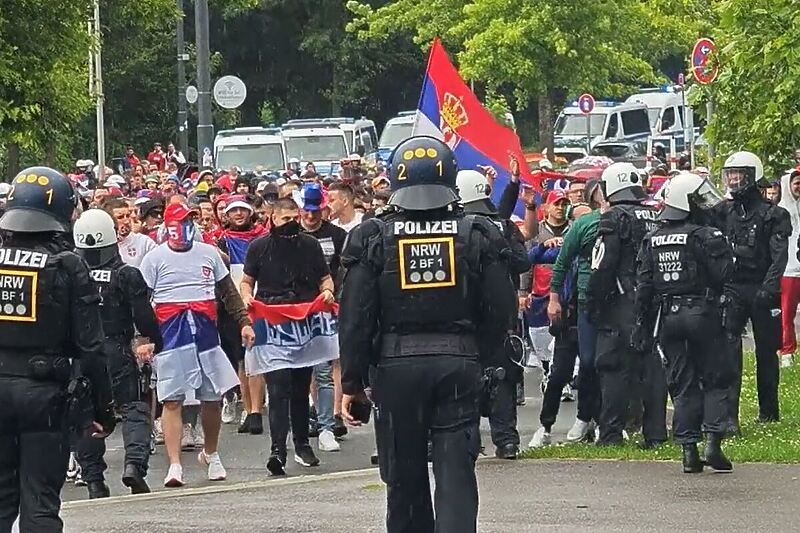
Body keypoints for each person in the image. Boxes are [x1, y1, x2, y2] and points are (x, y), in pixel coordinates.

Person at [338, 136, 516, 533]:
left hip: (396, 368)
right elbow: (501, 311)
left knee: (403, 478)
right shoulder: (477, 232)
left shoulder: (372, 236)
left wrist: (352, 380)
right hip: (459, 364)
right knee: (456, 475)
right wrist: (482, 361)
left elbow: (355, 317)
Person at [0, 167, 114, 532]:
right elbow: (92, 346)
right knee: (41, 504)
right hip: (45, 396)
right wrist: (103, 407)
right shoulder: (68, 265)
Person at [139, 202, 254, 487]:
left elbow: (228, 293)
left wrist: (244, 322)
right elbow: (140, 303)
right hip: (170, 335)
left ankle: (211, 452)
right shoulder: (154, 259)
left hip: (205, 335)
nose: (186, 228)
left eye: (190, 221)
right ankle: (175, 464)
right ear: (168, 226)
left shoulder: (209, 254)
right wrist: (141, 338)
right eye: (181, 222)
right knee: (172, 399)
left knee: (211, 398)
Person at [635, 172, 735, 473]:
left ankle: (688, 451)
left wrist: (641, 325)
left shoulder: (652, 240)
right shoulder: (706, 236)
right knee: (716, 377)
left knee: (682, 382)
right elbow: (724, 275)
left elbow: (645, 287)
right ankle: (712, 444)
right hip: (702, 314)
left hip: (667, 318)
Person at [240, 197, 337, 475]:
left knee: (300, 385)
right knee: (278, 385)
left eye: (296, 218)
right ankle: (278, 449)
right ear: (273, 218)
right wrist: (247, 298)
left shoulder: (309, 245)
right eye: (286, 219)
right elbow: (247, 281)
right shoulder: (259, 247)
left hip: (304, 318)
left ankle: (302, 444)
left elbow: (324, 277)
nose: (292, 223)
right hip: (271, 320)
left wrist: (327, 291)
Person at [72, 209, 163, 497]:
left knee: (86, 414)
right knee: (134, 407)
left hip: (82, 352)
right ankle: (134, 465)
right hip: (116, 349)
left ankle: (94, 479)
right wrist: (155, 341)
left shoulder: (70, 273)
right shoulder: (126, 274)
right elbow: (144, 318)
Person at [587, 162, 667, 448]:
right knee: (652, 367)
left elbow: (602, 265)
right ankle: (656, 433)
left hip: (621, 302)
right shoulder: (654, 215)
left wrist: (592, 302)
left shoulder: (613, 218)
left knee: (612, 366)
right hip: (654, 300)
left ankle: (610, 434)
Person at [455, 169, 530, 459]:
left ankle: (470, 440)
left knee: (466, 378)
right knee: (502, 377)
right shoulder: (502, 225)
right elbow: (522, 262)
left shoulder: (455, 228)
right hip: (500, 314)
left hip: (465, 316)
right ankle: (507, 441)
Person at [714, 151, 790, 431]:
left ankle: (769, 411)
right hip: (733, 287)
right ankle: (729, 416)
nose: (733, 180)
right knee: (729, 349)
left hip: (761, 288)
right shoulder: (724, 210)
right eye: (730, 174)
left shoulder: (774, 214)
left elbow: (779, 256)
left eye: (739, 174)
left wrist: (768, 289)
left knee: (766, 352)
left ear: (752, 176)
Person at [547, 179, 605, 444]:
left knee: (613, 364)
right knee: (588, 362)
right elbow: (560, 264)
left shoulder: (625, 221)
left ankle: (610, 422)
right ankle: (583, 418)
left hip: (619, 302)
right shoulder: (583, 226)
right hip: (584, 302)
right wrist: (554, 299)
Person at [298, 183, 348, 452]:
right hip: (297, 310)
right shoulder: (291, 237)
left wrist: (337, 297)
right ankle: (313, 416)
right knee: (302, 372)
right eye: (307, 211)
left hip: (329, 308)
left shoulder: (338, 235)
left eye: (315, 211)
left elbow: (342, 270)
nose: (311, 216)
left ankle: (329, 420)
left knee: (327, 367)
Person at [778, 169, 800, 367]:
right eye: (796, 182)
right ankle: (787, 351)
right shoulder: (781, 211)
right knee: (787, 313)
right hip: (789, 270)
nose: (798, 186)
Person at [103, 198, 156, 268]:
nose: (127, 221)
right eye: (120, 217)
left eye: (128, 216)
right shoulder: (102, 245)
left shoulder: (144, 242)